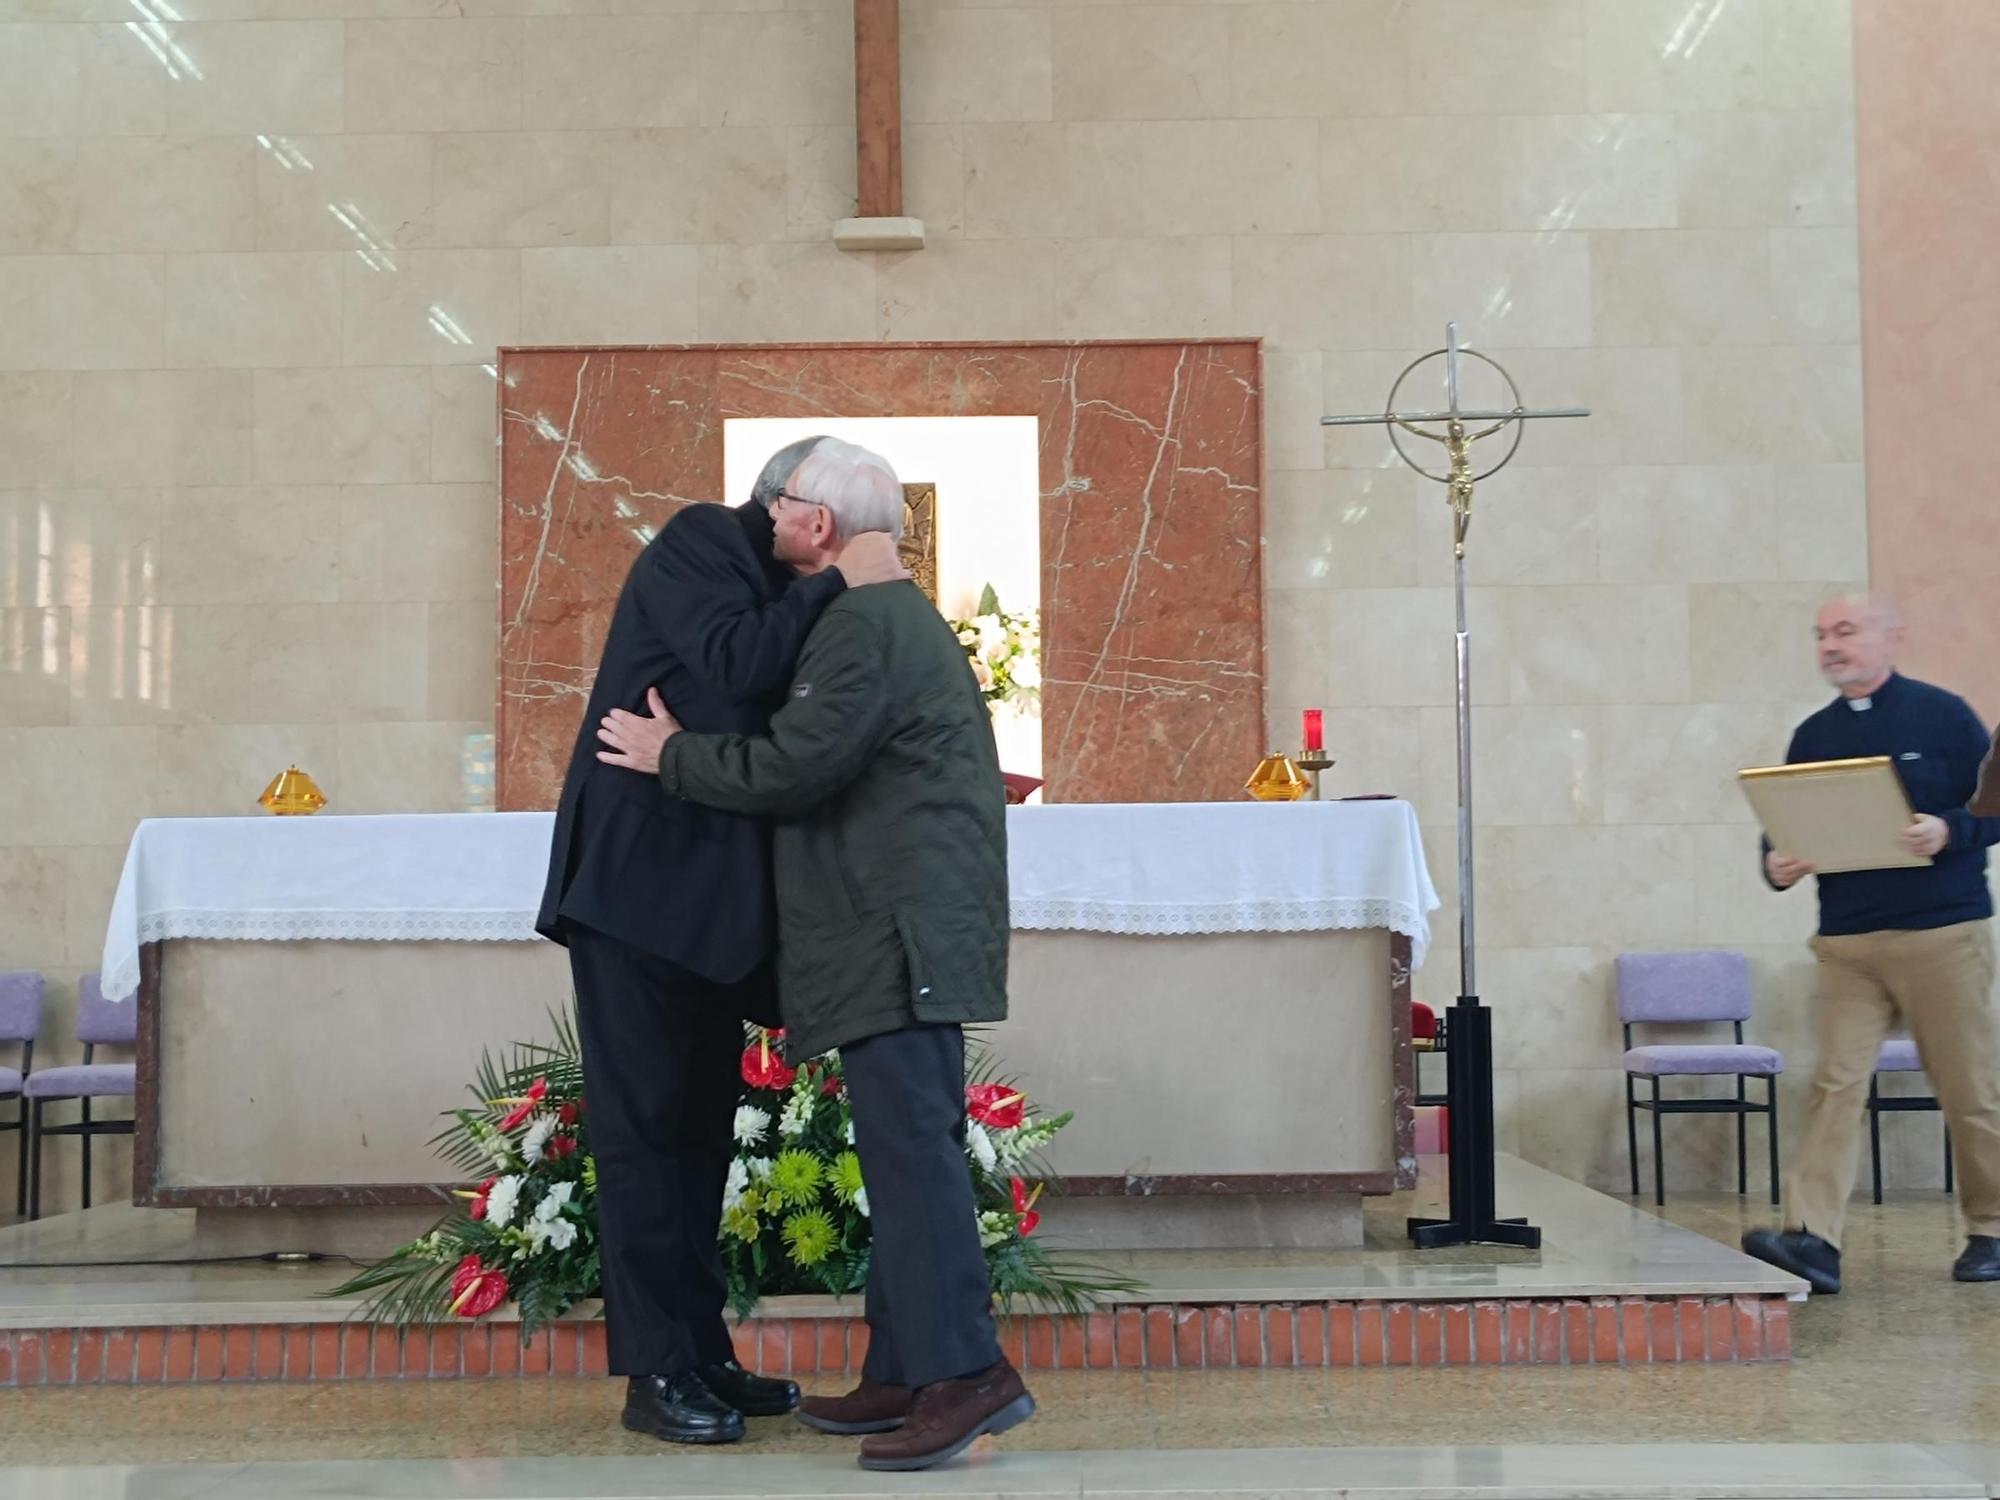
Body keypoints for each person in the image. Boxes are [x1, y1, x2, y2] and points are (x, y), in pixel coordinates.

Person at [594, 437, 1033, 1473]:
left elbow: (798, 764)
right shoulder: (874, 614)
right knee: (899, 1153)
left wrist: (673, 756)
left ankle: (965, 1375)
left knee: (914, 1159)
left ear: (817, 524)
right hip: (890, 929)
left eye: (780, 503)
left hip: (894, 932)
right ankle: (905, 1366)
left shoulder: (866, 623)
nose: (766, 517)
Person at [534, 436, 903, 1445]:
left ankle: (699, 1354)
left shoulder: (778, 586)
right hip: (638, 899)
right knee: (646, 1138)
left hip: (709, 913)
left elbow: (756, 718)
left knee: (696, 1142)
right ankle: (654, 1376)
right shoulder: (701, 540)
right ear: (819, 525)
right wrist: (841, 588)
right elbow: (739, 664)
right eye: (862, 546)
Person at [1742, 596, 2000, 1293]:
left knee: (1968, 1088)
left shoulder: (1943, 716)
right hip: (1848, 941)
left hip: (1942, 933)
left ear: (1892, 638)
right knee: (1834, 1087)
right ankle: (1813, 1239)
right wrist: (1776, 861)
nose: (1831, 645)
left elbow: (1992, 805)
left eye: (1846, 631)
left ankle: (1992, 1228)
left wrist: (1951, 830)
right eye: (1821, 634)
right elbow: (1788, 820)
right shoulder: (1813, 733)